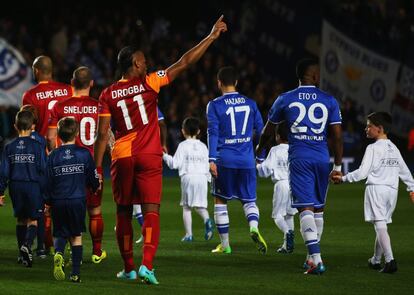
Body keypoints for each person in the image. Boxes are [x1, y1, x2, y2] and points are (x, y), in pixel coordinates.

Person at [93, 16, 227, 284]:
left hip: (122, 155)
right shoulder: (150, 83)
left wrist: (97, 168)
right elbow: (185, 62)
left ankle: (129, 267)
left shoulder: (107, 95)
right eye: (143, 61)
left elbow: (102, 134)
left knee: (123, 212)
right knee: (151, 210)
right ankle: (147, 265)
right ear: (135, 64)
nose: (147, 64)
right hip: (149, 154)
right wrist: (211, 37)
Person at [256, 58, 343, 275]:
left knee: (305, 208)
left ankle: (317, 259)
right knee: (318, 209)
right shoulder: (329, 100)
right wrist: (338, 166)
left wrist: (259, 151)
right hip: (322, 158)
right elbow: (338, 138)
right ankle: (310, 259)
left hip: (300, 159)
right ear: (314, 76)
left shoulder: (285, 99)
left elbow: (268, 130)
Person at [332, 112, 414, 274]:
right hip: (392, 191)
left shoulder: (373, 148)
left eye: (369, 125)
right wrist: (412, 188)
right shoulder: (394, 147)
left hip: (376, 189)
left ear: (380, 128)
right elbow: (404, 171)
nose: (366, 128)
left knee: (379, 225)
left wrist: (344, 179)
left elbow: (362, 173)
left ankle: (390, 260)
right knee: (381, 224)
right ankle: (376, 260)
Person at [47, 66, 106, 264]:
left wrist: (53, 157)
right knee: (95, 211)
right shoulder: (100, 106)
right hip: (91, 165)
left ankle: (58, 250)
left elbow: (51, 137)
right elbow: (107, 136)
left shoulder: (60, 107)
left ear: (72, 83)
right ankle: (96, 252)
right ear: (91, 83)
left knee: (62, 209)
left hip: (64, 167)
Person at [207, 66, 267, 255]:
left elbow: (213, 132)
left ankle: (225, 245)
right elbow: (262, 130)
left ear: (219, 83)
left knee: (220, 200)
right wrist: (260, 155)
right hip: (247, 160)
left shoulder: (215, 105)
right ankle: (253, 226)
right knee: (249, 200)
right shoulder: (250, 103)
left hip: (225, 159)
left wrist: (211, 159)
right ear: (237, 83)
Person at [22, 55, 73, 254]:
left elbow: (27, 125)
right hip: (67, 149)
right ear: (51, 70)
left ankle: (48, 246)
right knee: (65, 197)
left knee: (44, 202)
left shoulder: (30, 95)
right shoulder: (68, 90)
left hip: (43, 152)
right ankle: (68, 242)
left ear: (36, 71)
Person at [46, 117, 100, 283]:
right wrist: (95, 186)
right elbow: (92, 176)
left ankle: (59, 254)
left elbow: (47, 181)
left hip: (59, 200)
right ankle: (75, 273)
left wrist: (47, 202)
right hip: (77, 200)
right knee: (76, 236)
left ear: (59, 136)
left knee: (60, 232)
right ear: (77, 134)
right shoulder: (84, 153)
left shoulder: (53, 155)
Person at [0, 110, 47, 267]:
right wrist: (47, 193)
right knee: (33, 220)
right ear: (32, 126)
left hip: (15, 186)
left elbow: (4, 172)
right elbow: (43, 169)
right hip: (33, 185)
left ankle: (22, 255)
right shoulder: (38, 145)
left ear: (15, 126)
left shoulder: (9, 147)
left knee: (21, 219)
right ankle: (27, 245)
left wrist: (0, 192)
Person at [163, 117, 213, 242]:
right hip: (202, 177)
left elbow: (174, 164)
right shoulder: (203, 146)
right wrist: (209, 178)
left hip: (188, 177)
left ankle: (189, 235)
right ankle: (207, 220)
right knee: (200, 206)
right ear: (198, 131)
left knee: (186, 207)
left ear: (183, 131)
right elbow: (208, 164)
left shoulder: (183, 145)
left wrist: (163, 155)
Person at [256, 122, 297, 253]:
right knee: (289, 215)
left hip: (281, 184)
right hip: (295, 185)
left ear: (277, 136)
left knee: (278, 216)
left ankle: (288, 232)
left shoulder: (275, 150)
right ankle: (287, 246)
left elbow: (266, 170)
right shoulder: (295, 149)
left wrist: (258, 165)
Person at [133, 107, 167, 244]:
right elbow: (162, 124)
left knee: (132, 201)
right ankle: (148, 244)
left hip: (130, 153)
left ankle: (143, 232)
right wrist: (163, 143)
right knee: (151, 203)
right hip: (151, 153)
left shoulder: (121, 98)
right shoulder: (149, 101)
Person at [19, 104, 47, 258]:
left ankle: (23, 247)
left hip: (21, 180)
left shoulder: (19, 141)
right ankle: (41, 248)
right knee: (38, 215)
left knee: (23, 218)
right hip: (37, 181)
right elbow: (43, 162)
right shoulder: (40, 139)